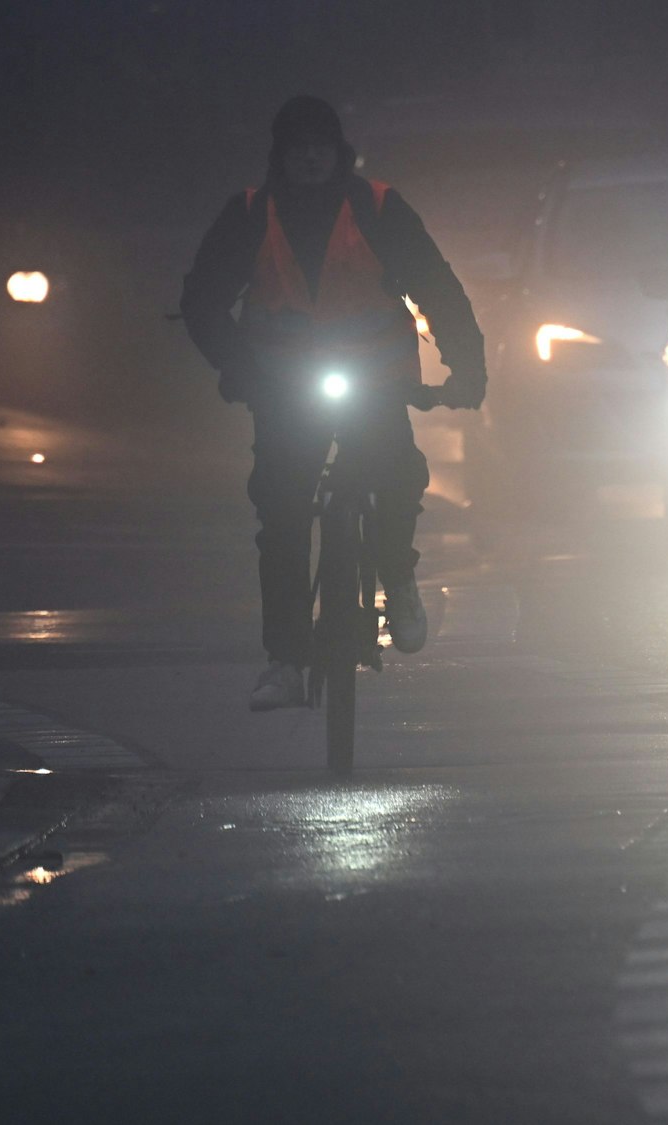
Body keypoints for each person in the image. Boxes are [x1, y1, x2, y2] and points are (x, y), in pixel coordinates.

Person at [181, 95, 487, 710]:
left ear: (338, 151)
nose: (310, 157)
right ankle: (285, 661)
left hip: (376, 382)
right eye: (298, 147)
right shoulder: (251, 213)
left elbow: (436, 285)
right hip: (283, 389)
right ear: (281, 155)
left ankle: (397, 575)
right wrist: (238, 368)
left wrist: (467, 367)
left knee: (397, 475)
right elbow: (202, 300)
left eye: (320, 146)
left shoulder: (378, 207)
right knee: (282, 514)